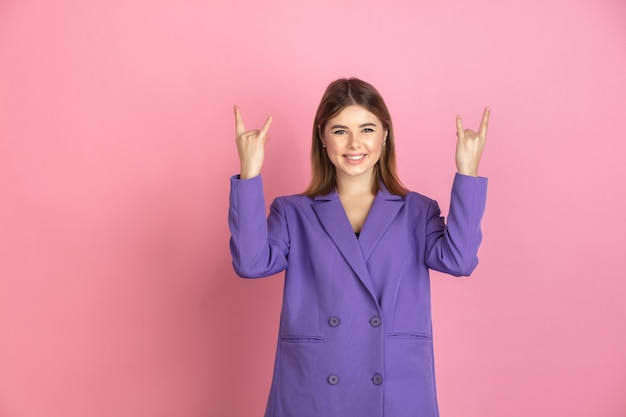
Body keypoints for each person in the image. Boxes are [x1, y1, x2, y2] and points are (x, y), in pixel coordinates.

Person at [228, 77, 489, 417]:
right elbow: (250, 263)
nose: (354, 143)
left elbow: (459, 260)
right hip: (313, 389)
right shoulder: (292, 212)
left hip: (395, 388)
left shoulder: (417, 211)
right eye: (340, 131)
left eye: (367, 129)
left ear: (385, 135)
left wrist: (468, 172)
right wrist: (249, 174)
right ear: (322, 136)